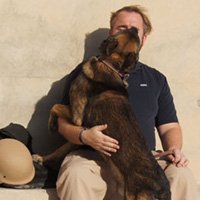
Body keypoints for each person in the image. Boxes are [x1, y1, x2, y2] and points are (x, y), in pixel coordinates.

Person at [56, 5, 198, 200]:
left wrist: (174, 149)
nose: (128, 32)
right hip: (93, 157)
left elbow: (169, 127)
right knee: (75, 175)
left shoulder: (156, 79)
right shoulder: (85, 72)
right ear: (111, 34)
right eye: (121, 28)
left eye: (135, 29)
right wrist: (84, 136)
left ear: (144, 39)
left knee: (182, 175)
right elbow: (62, 124)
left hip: (144, 160)